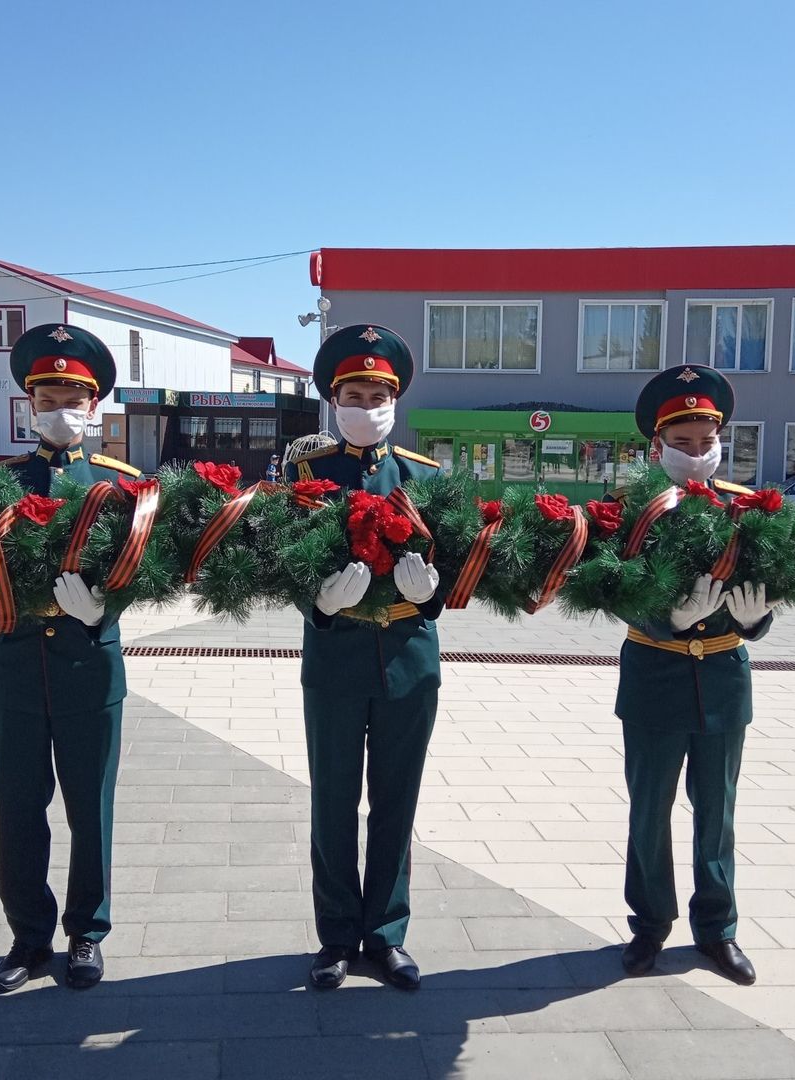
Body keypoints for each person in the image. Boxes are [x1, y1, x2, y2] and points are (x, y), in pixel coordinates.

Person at [0, 324, 141, 993]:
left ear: (96, 403)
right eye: (46, 396)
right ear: (27, 404)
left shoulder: (120, 486)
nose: (59, 408)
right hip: (17, 673)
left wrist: (103, 609)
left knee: (89, 810)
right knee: (19, 809)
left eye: (72, 395)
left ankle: (86, 934)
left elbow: (144, 572)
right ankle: (28, 938)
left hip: (89, 670)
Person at [286, 324, 443, 992]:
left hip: (409, 658)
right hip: (336, 660)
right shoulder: (307, 476)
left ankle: (386, 935)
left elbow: (456, 565)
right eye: (355, 392)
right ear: (333, 399)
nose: (367, 403)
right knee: (334, 802)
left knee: (396, 804)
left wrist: (432, 595)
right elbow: (281, 562)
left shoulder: (425, 477)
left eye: (379, 392)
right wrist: (318, 601)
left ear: (396, 399)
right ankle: (335, 937)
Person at [614, 364, 777, 986]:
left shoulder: (745, 507)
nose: (695, 451)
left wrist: (760, 618)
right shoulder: (633, 511)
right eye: (680, 441)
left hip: (726, 680)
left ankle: (718, 929)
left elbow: (770, 580)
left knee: (718, 812)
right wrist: (667, 618)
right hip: (655, 678)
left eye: (705, 439)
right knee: (649, 811)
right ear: (656, 447)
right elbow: (614, 587)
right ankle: (649, 924)